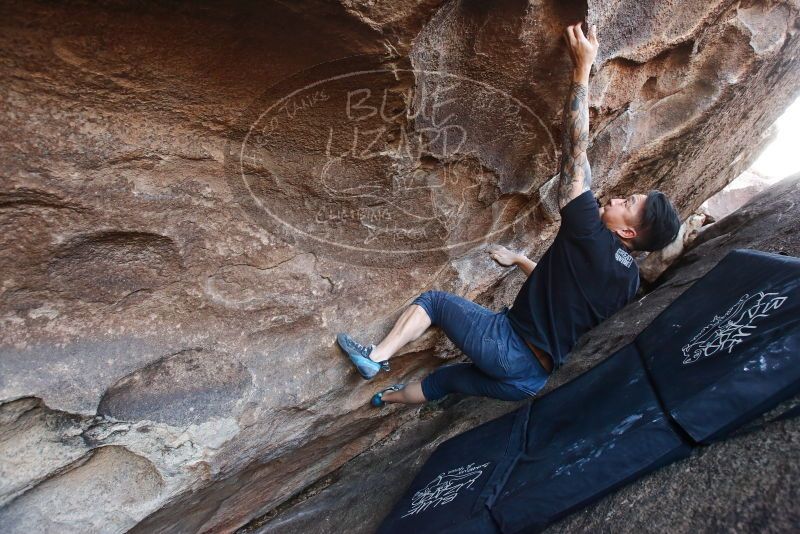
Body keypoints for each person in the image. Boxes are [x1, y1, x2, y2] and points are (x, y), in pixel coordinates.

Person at [337, 22, 681, 407]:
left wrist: (582, 70)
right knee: (448, 380)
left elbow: (575, 152)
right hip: (529, 381)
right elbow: (561, 294)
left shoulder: (588, 231)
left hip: (507, 347)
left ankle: (375, 357)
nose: (617, 199)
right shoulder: (629, 280)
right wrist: (519, 259)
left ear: (629, 233)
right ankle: (384, 400)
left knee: (433, 302)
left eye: (628, 204)